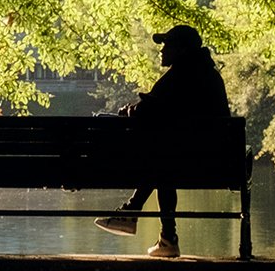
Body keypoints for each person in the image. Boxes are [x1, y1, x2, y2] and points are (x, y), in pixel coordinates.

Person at [95, 23, 231, 258]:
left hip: (192, 161)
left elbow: (148, 109)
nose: (162, 50)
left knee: (161, 159)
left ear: (182, 49)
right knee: (164, 157)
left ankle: (133, 212)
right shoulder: (204, 72)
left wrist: (128, 110)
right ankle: (162, 234)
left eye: (167, 45)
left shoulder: (183, 73)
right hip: (213, 161)